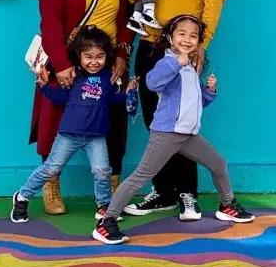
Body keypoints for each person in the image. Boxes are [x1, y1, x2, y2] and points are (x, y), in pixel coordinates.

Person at [93, 15, 253, 244]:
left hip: (188, 135)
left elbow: (191, 103)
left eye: (193, 36)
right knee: (140, 177)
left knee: (218, 164)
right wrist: (177, 62)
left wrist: (208, 92)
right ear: (170, 37)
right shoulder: (168, 62)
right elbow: (152, 82)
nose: (188, 39)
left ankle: (227, 205)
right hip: (166, 134)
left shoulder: (189, 67)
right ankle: (107, 223)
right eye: (182, 34)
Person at [31, 0, 148, 215]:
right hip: (67, 59)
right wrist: (61, 63)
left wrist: (123, 53)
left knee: (115, 120)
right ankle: (50, 183)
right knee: (55, 118)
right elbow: (51, 20)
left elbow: (127, 18)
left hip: (107, 60)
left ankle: (112, 188)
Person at [124, 0, 228, 222]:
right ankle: (164, 191)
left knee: (182, 124)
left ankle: (187, 195)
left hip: (185, 49)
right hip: (150, 45)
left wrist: (201, 45)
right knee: (157, 124)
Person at [12, 26, 137, 223]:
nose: (94, 62)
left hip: (96, 137)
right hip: (69, 135)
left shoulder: (107, 79)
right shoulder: (74, 76)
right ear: (79, 55)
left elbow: (113, 99)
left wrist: (128, 93)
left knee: (102, 170)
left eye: (100, 57)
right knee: (51, 169)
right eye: (88, 56)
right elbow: (59, 97)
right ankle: (22, 197)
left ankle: (104, 206)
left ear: (107, 57)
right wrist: (44, 86)